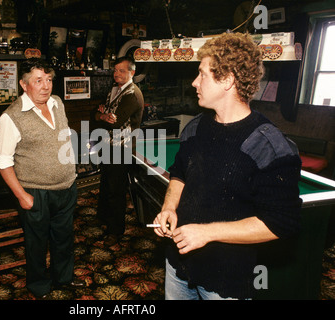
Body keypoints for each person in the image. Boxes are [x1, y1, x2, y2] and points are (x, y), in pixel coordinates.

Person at [153, 32, 302, 300]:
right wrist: (169, 207)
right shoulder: (195, 126)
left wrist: (207, 233)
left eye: (202, 74)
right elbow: (179, 173)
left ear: (227, 80)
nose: (194, 82)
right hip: (178, 266)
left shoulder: (270, 146)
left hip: (226, 280)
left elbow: (281, 223)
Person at [0, 59, 82, 299]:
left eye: (49, 80)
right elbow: (2, 161)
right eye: (38, 81)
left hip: (66, 186)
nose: (46, 86)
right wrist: (22, 196)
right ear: (24, 84)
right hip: (35, 192)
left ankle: (64, 278)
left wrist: (71, 175)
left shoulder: (57, 103)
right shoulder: (10, 117)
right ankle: (39, 286)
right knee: (36, 244)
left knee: (64, 238)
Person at [91, 56, 144, 246]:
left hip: (122, 149)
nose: (117, 74)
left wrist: (102, 115)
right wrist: (102, 115)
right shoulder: (114, 90)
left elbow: (117, 121)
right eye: (115, 70)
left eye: (122, 70)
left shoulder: (133, 93)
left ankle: (116, 231)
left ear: (132, 72)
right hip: (108, 145)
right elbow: (95, 115)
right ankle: (105, 219)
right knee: (106, 185)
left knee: (116, 190)